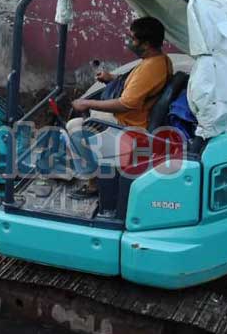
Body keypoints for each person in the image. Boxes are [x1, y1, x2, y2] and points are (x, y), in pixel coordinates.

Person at [65, 16, 172, 199]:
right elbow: (139, 88)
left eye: (133, 39)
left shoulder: (150, 68)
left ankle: (93, 183)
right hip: (132, 118)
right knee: (85, 119)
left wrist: (86, 103)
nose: (129, 42)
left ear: (146, 43)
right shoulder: (160, 60)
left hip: (130, 128)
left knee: (73, 127)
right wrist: (112, 79)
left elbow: (126, 104)